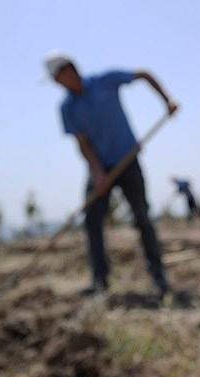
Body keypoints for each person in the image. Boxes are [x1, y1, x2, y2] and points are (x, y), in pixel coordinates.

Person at [44, 51, 177, 297]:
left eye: (58, 76)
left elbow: (144, 74)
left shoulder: (105, 81)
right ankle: (100, 281)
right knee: (92, 221)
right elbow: (83, 144)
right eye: (54, 80)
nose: (57, 82)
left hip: (127, 160)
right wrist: (98, 174)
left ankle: (159, 278)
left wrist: (166, 100)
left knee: (142, 217)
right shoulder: (67, 108)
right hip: (100, 167)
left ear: (69, 70)